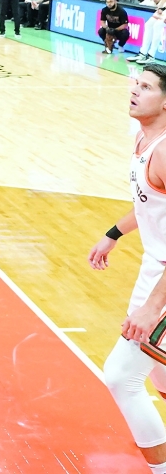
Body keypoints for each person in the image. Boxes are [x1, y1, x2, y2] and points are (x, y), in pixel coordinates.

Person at [90, 63, 166, 474]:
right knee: (159, 376)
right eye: (135, 84)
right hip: (154, 267)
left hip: (164, 279)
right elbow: (149, 203)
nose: (134, 91)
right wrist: (113, 233)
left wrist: (152, 307)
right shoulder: (143, 139)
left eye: (147, 87)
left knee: (121, 375)